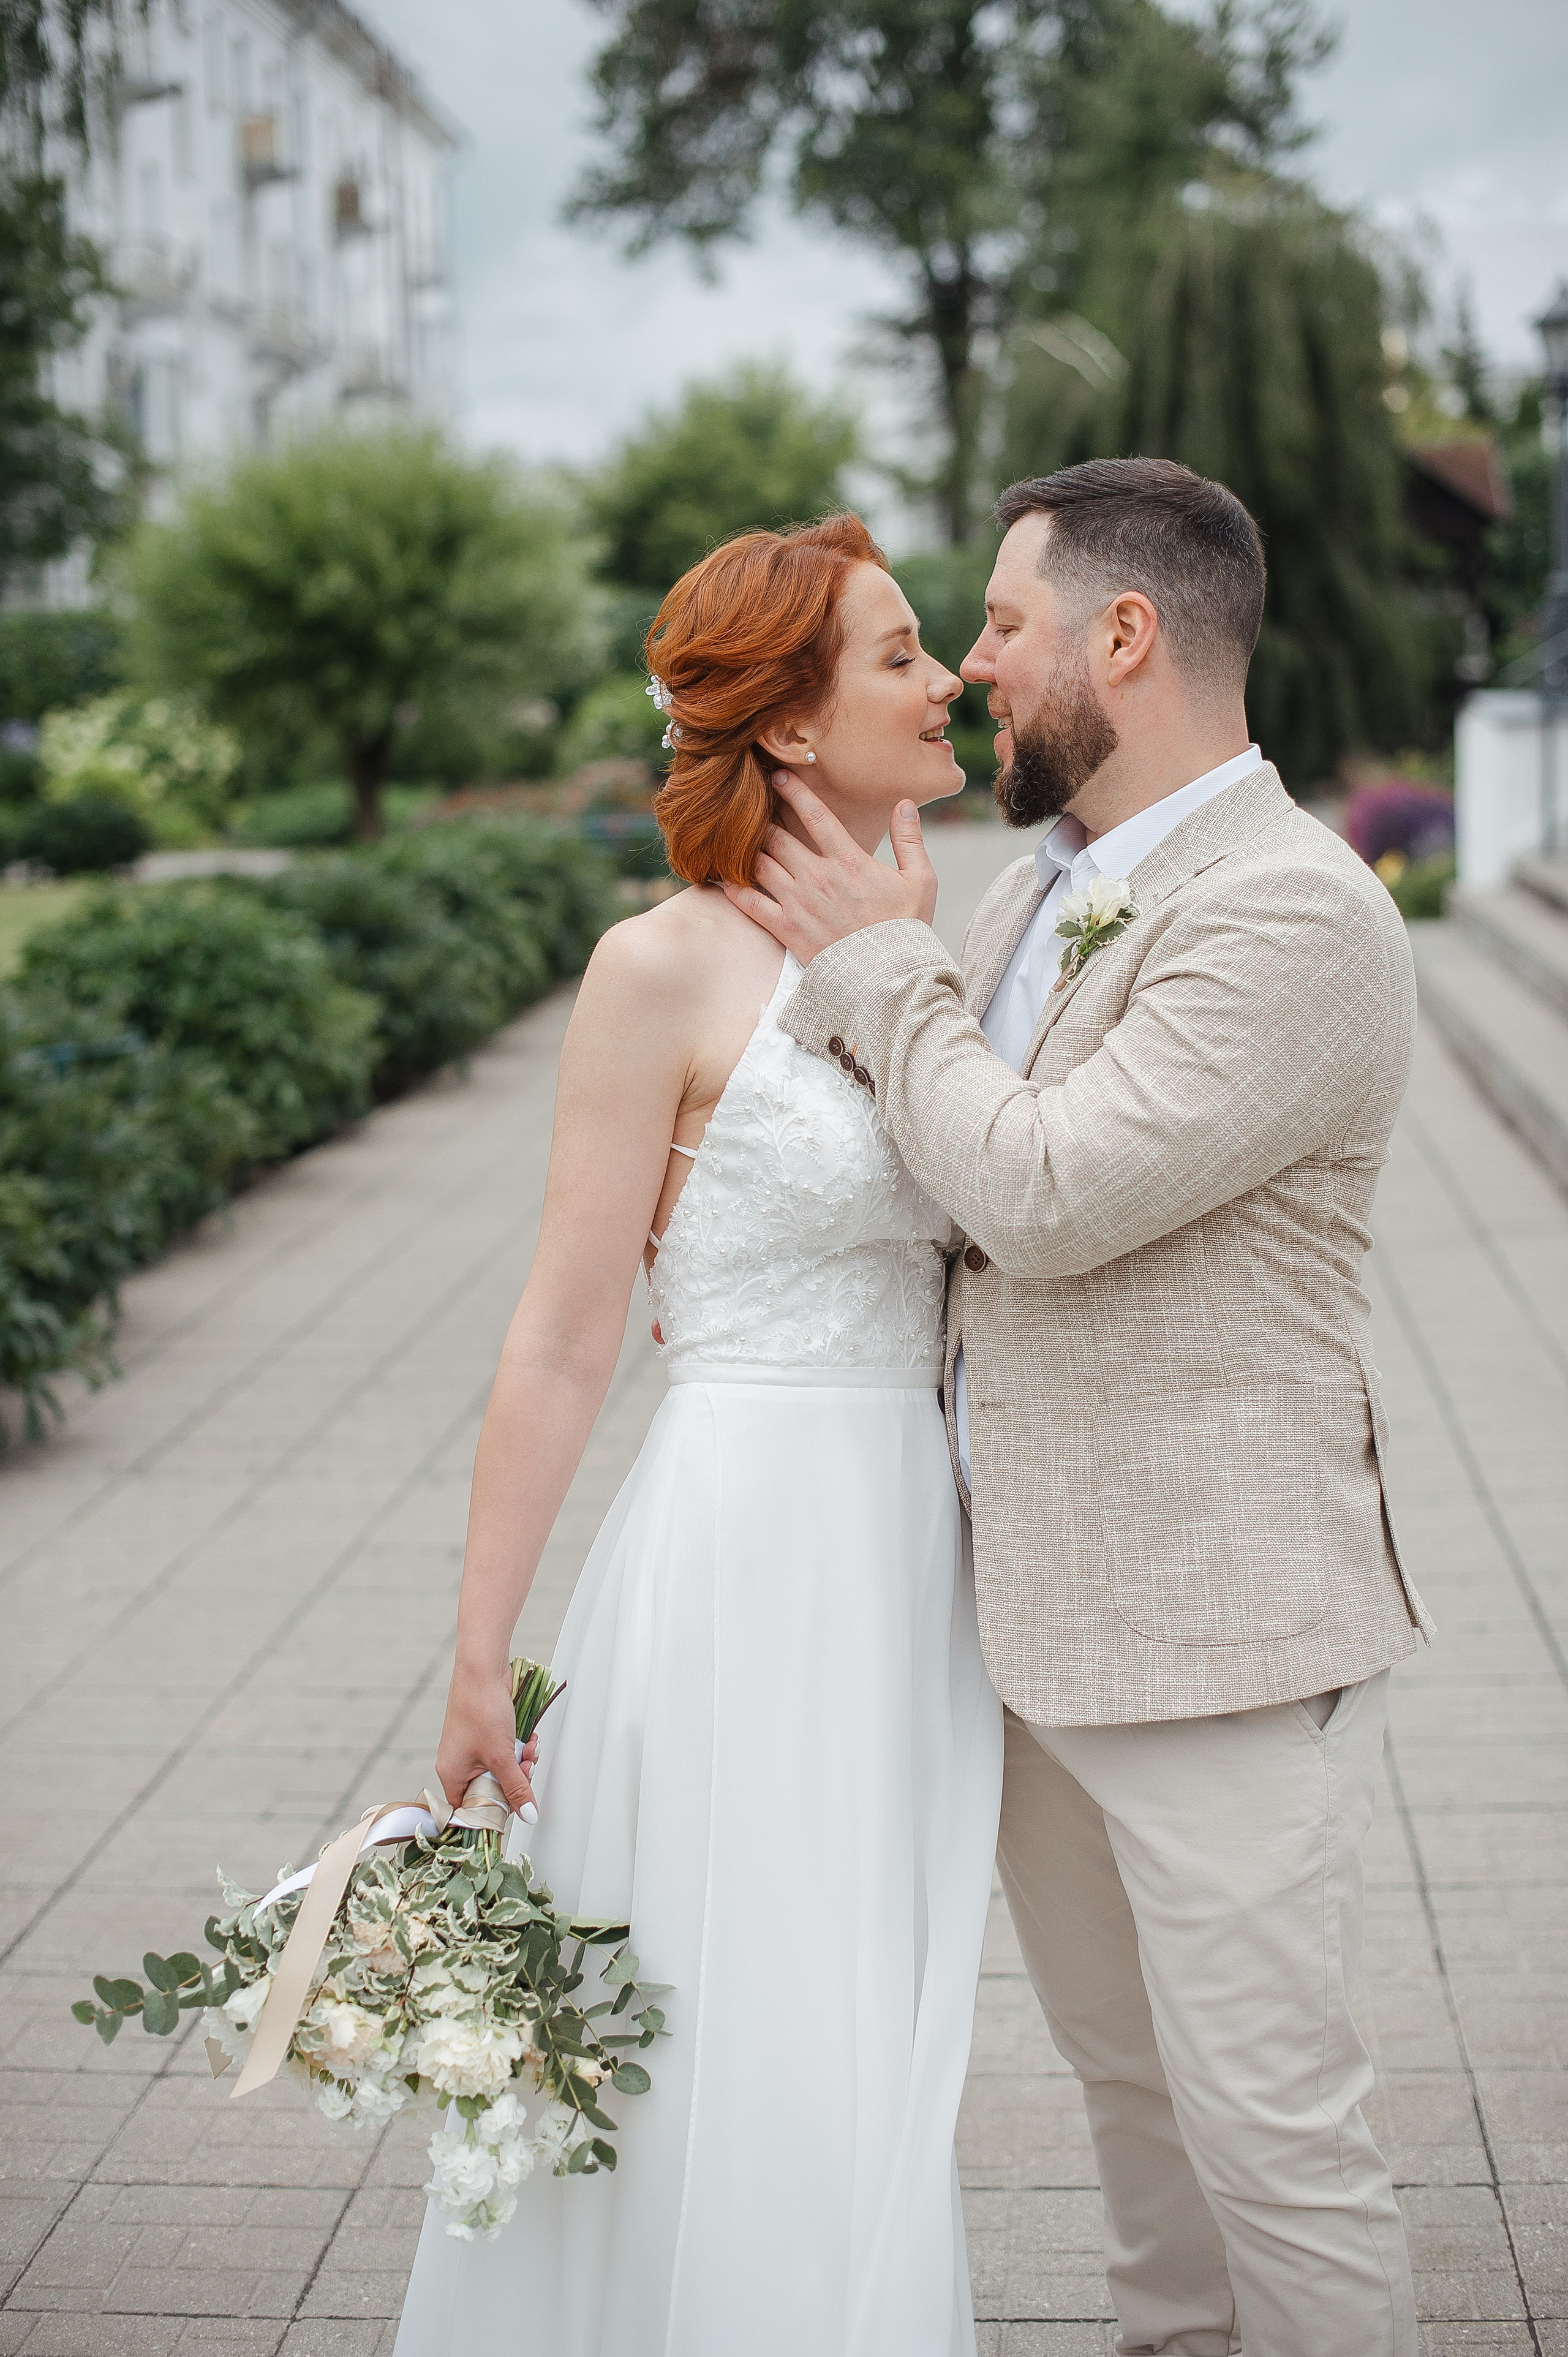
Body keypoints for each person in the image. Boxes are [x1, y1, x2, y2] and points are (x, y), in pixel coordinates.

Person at [728, 458, 1431, 2357]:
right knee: (1139, 2128)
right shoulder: (1045, 888)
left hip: (1206, 1631)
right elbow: (929, 1172)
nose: (968, 670)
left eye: (1003, 625)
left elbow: (1036, 1194)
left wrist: (876, 968)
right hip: (1032, 1619)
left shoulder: (1288, 913)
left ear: (1127, 638)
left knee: (1279, 2145)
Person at [393, 513, 1003, 2357]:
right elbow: (572, 1331)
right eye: (902, 651)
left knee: (872, 2018)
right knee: (747, 2008)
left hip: (913, 1545)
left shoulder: (935, 936)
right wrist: (481, 1646)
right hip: (746, 1543)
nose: (950, 675)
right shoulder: (656, 970)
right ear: (796, 728)